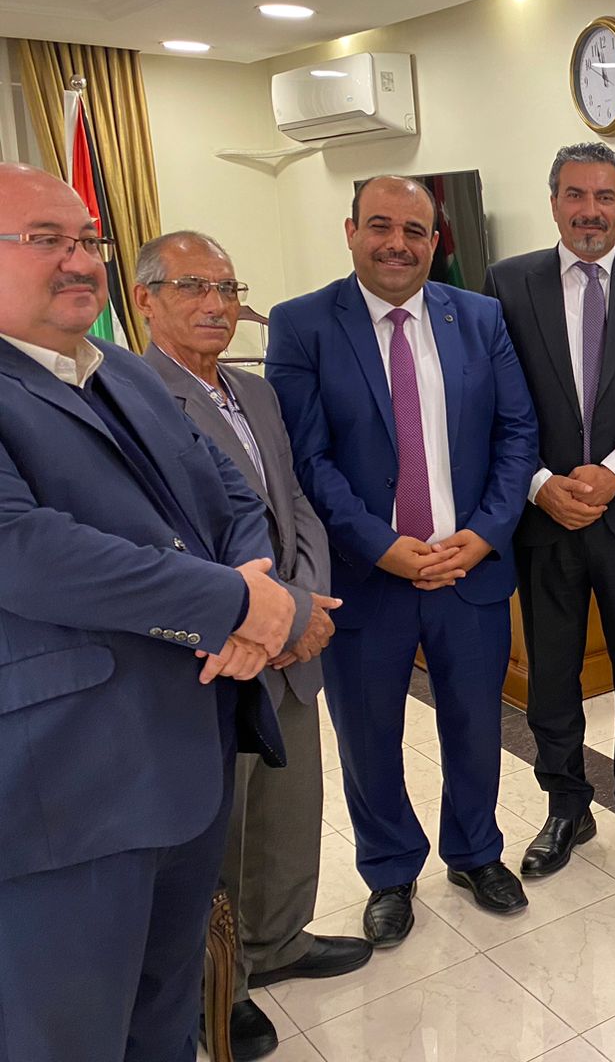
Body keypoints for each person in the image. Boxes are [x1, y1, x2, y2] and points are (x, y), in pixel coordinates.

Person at [0, 162, 297, 1060]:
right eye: (44, 239)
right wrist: (233, 603)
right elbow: (24, 548)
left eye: (86, 239)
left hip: (188, 757)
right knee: (69, 1034)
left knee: (163, 1020)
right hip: (70, 786)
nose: (78, 259)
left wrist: (249, 589)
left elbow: (229, 494)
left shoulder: (125, 373)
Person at [267, 175, 539, 947]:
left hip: (468, 569)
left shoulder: (479, 317)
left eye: (414, 230)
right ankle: (389, 871)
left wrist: (484, 534)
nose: (397, 243)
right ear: (351, 231)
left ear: (434, 240)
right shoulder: (302, 324)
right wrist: (381, 546)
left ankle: (475, 853)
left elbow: (517, 433)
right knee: (369, 737)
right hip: (365, 579)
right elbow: (306, 458)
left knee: (475, 726)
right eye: (380, 225)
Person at [134, 230, 369, 1061]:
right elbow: (161, 535)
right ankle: (218, 990)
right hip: (216, 654)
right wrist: (264, 616)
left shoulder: (254, 391)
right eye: (193, 287)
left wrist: (305, 605)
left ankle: (280, 941)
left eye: (228, 289)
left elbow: (292, 500)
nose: (216, 305)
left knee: (288, 808)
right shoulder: (132, 397)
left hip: (290, 642)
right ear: (146, 299)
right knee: (219, 832)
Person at [483, 143, 615, 878]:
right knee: (552, 674)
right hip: (544, 517)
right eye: (575, 195)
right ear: (554, 203)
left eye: (605, 197)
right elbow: (495, 396)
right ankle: (565, 805)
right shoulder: (507, 284)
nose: (590, 211)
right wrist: (541, 482)